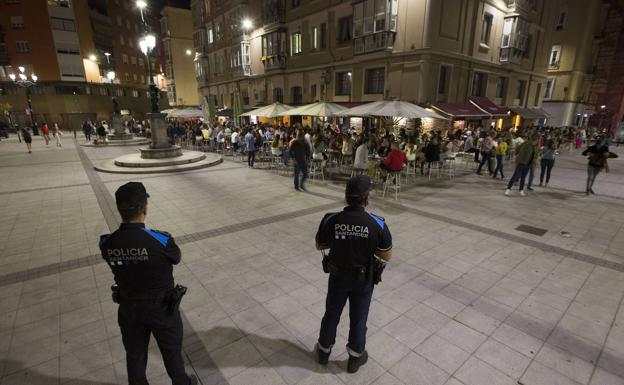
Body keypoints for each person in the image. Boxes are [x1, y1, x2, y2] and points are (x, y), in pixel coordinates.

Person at [99, 182, 197, 385]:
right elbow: (176, 257)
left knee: (135, 356)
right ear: (145, 208)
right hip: (162, 308)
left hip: (129, 308)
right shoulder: (160, 239)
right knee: (172, 355)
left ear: (120, 209)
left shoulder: (107, 243)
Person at [315, 175, 393, 373]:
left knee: (332, 314)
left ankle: (323, 351)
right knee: (359, 318)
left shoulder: (330, 219)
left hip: (337, 277)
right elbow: (387, 254)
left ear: (346, 196)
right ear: (366, 197)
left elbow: (320, 245)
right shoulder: (378, 223)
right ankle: (355, 358)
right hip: (363, 280)